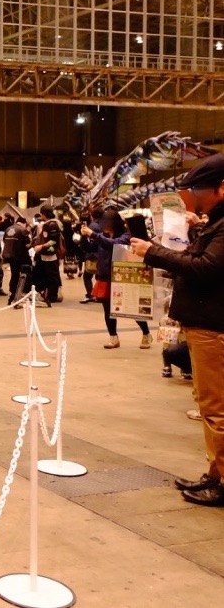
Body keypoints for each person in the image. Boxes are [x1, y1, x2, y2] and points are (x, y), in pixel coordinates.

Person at [131, 153, 224, 506]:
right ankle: (215, 473)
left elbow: (206, 267)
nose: (193, 197)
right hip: (205, 324)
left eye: (199, 190)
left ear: (221, 188)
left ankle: (222, 480)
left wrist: (152, 253)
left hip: (213, 327)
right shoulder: (216, 222)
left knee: (216, 409)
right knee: (209, 404)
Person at [81, 209, 152, 349]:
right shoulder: (103, 236)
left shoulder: (127, 236)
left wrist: (93, 234)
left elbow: (114, 244)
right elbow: (89, 247)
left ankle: (146, 333)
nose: (104, 225)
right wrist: (83, 236)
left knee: (131, 308)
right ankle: (113, 337)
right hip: (105, 276)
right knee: (108, 309)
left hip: (123, 277)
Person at [32, 205, 63, 306]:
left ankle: (52, 297)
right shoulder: (48, 224)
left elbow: (53, 240)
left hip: (51, 254)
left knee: (52, 276)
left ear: (44, 214)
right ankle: (48, 295)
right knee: (47, 275)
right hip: (45, 254)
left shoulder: (52, 225)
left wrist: (41, 246)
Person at [3, 216, 32, 304]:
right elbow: (27, 244)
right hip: (21, 256)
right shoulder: (23, 230)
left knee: (14, 275)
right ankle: (23, 294)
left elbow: (4, 241)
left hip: (10, 256)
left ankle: (12, 295)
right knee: (26, 275)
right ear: (24, 223)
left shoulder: (8, 229)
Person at [79, 208, 102, 303]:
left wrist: (83, 236)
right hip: (103, 254)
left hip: (93, 254)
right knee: (99, 276)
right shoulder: (104, 224)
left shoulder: (92, 226)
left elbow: (89, 244)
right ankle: (99, 295)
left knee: (87, 276)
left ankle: (90, 294)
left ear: (92, 216)